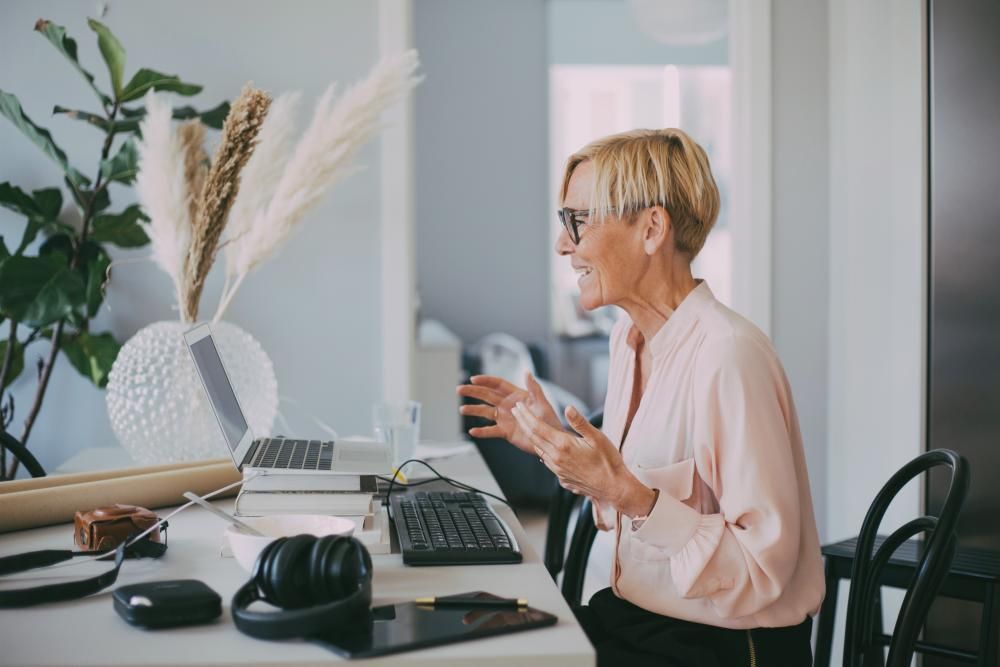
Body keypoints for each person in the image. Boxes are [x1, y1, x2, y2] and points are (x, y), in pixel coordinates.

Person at [457, 128, 824, 666]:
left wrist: (627, 494)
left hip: (728, 646)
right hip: (643, 618)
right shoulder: (628, 342)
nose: (564, 244)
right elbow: (632, 503)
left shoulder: (730, 356)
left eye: (577, 221)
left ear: (652, 228)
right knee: (483, 639)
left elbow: (760, 571)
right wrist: (551, 444)